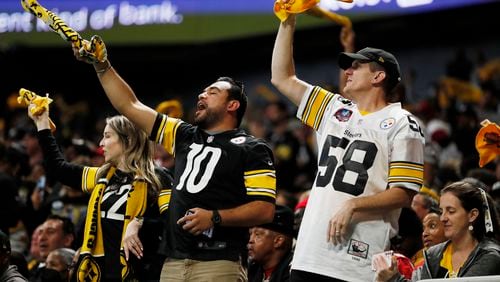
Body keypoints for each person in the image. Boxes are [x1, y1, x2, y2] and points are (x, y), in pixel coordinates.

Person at [72, 36, 276, 281]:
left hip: (219, 262)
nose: (202, 95)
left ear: (232, 105)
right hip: (172, 261)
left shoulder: (252, 148)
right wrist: (102, 66)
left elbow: (264, 210)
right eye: (202, 91)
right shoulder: (183, 135)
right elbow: (129, 105)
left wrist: (215, 217)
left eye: (212, 92)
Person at [271, 11, 425, 281]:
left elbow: (403, 193)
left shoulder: (403, 122)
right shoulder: (334, 108)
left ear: (378, 77)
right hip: (309, 253)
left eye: (357, 67)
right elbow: (282, 78)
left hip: (355, 261)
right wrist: (287, 22)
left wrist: (353, 205)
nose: (348, 71)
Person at [28, 107, 173, 281]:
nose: (101, 144)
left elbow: (172, 221)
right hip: (100, 273)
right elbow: (57, 169)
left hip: (141, 272)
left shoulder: (157, 178)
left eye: (107, 136)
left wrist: (140, 223)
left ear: (128, 140)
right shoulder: (101, 176)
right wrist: (42, 122)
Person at [375, 180, 500, 281]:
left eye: (451, 211)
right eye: (442, 211)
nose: (443, 218)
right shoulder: (433, 254)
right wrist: (391, 277)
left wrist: (395, 280)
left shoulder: (490, 256)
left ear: (472, 215)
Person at [248, 205, 295, 282]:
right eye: (250, 234)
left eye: (258, 235)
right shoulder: (252, 268)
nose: (250, 240)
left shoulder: (294, 273)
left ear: (278, 241)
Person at [29, 215, 75, 281]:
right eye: (40, 232)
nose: (42, 238)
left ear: (67, 240)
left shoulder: (78, 273)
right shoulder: (32, 270)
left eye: (50, 232)